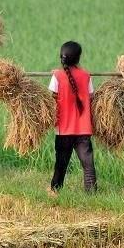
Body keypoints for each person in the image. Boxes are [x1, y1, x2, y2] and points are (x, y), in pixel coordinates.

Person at [47, 41, 97, 196]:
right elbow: (91, 96)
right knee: (88, 165)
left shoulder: (57, 76)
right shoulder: (86, 76)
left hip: (63, 130)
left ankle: (55, 190)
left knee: (61, 163)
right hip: (83, 129)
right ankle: (92, 194)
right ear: (78, 58)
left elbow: (52, 97)